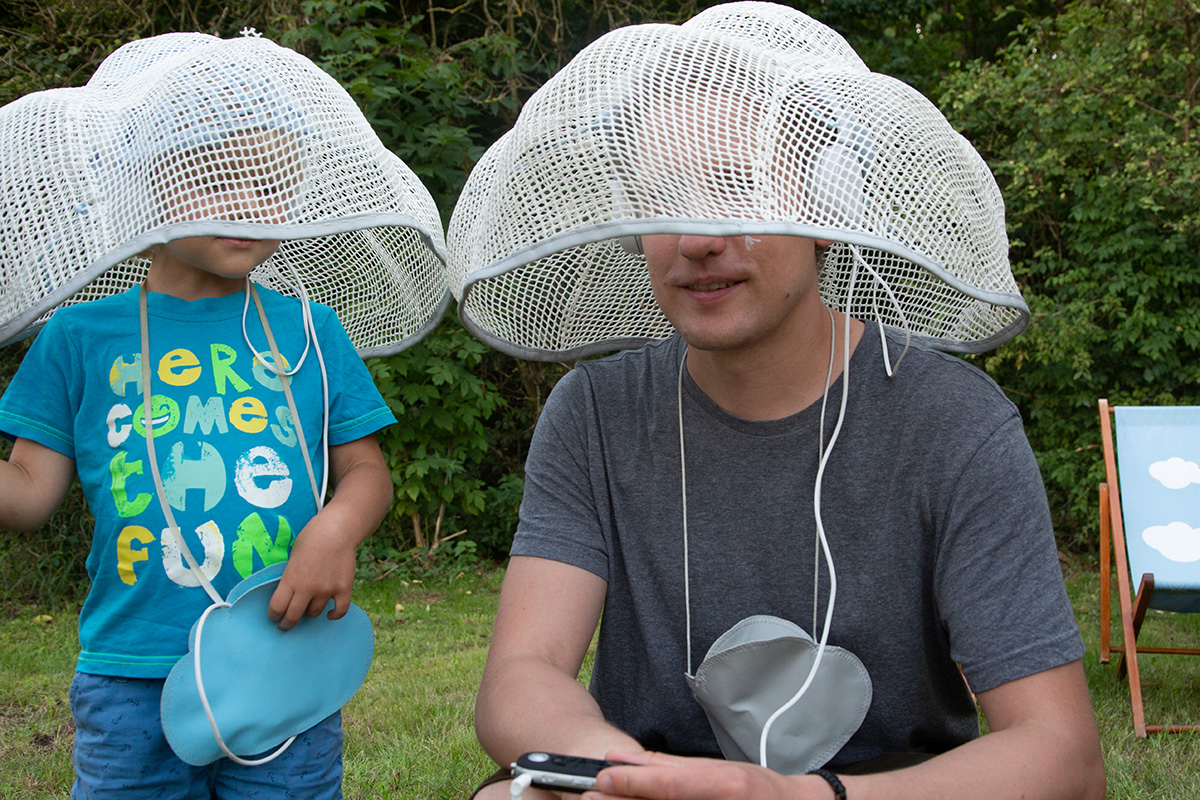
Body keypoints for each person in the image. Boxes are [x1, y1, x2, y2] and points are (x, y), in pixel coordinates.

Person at [448, 4, 1106, 799]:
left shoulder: (954, 425)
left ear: (827, 210)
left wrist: (803, 797)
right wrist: (635, 776)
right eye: (665, 197)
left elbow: (1062, 753)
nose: (697, 238)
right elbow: (522, 674)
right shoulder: (594, 415)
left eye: (738, 187)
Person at [0, 31, 447, 799]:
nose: (249, 204)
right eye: (217, 178)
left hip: (285, 657)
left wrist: (335, 531)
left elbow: (366, 472)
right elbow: (29, 493)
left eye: (271, 184)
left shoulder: (311, 331)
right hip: (130, 674)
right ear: (146, 186)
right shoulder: (79, 338)